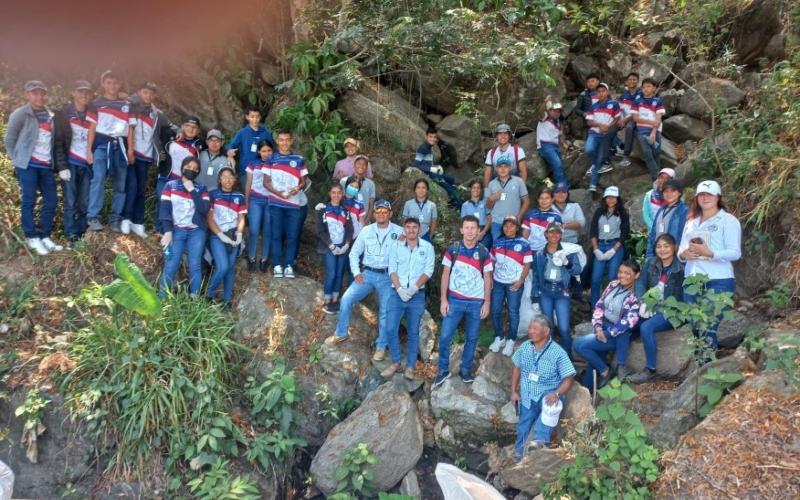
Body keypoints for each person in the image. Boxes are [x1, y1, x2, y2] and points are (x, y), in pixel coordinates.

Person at [324, 200, 403, 361]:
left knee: (385, 312)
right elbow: (354, 254)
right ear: (374, 214)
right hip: (367, 274)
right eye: (378, 211)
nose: (381, 214)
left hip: (388, 277)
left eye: (384, 211)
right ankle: (341, 333)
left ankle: (381, 346)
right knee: (346, 299)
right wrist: (356, 272)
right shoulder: (367, 230)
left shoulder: (399, 231)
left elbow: (407, 254)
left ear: (390, 214)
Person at [678, 180, 741, 352]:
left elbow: (735, 253)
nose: (705, 198)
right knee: (696, 327)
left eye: (709, 194)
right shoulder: (691, 221)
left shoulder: (728, 221)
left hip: (718, 281)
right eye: (701, 195)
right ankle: (702, 369)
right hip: (692, 280)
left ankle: (707, 372)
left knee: (707, 326)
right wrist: (684, 254)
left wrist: (711, 253)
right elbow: (681, 249)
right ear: (697, 198)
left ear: (718, 197)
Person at [5, 80, 63, 255]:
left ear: (45, 95)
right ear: (27, 95)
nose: (38, 96)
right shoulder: (20, 114)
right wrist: (18, 161)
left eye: (41, 93)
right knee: (29, 200)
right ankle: (32, 237)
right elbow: (9, 139)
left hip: (46, 166)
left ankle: (44, 235)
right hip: (28, 165)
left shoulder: (51, 115)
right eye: (34, 93)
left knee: (51, 200)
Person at [434, 215, 494, 387]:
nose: (469, 231)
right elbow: (445, 275)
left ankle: (465, 370)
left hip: (476, 302)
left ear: (478, 230)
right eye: (466, 228)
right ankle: (443, 370)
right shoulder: (453, 249)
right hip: (454, 300)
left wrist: (487, 303)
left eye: (473, 228)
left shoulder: (483, 252)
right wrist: (443, 299)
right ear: (461, 230)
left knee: (472, 338)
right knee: (445, 336)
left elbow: (488, 279)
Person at [510, 316, 576, 462]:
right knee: (523, 427)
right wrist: (513, 391)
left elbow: (569, 377)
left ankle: (536, 458)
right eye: (530, 328)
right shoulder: (525, 347)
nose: (530, 331)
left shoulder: (558, 352)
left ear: (546, 332)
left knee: (542, 429)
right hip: (528, 395)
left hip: (548, 394)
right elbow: (516, 367)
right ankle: (518, 456)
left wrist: (557, 393)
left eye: (535, 329)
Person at [573, 260, 641, 389]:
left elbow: (629, 321)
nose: (622, 275)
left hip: (618, 335)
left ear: (636, 275)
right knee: (595, 360)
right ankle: (590, 389)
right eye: (620, 272)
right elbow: (599, 306)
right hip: (603, 327)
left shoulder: (636, 295)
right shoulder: (613, 285)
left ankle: (605, 371)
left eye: (627, 273)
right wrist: (598, 326)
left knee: (578, 345)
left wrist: (607, 333)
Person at [382, 217, 435, 379]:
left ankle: (411, 366)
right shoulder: (396, 246)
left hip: (416, 295)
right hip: (396, 294)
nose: (411, 230)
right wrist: (399, 288)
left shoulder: (427, 247)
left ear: (419, 229)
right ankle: (396, 361)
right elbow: (392, 269)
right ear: (404, 229)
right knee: (390, 328)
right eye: (408, 227)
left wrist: (413, 289)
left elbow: (428, 270)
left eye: (414, 227)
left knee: (413, 331)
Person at [122, 81, 178, 237]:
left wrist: (179, 132)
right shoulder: (131, 106)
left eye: (151, 93)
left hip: (146, 156)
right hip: (130, 153)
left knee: (140, 189)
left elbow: (171, 125)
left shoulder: (156, 113)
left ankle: (138, 222)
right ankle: (125, 218)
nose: (148, 96)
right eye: (145, 92)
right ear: (140, 92)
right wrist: (129, 150)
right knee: (130, 187)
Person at [629, 233, 684, 383]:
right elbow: (640, 283)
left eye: (666, 246)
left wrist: (657, 307)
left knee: (647, 327)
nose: (662, 249)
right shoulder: (651, 263)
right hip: (650, 305)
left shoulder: (681, 268)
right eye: (659, 246)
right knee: (630, 322)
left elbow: (680, 299)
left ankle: (650, 370)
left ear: (674, 247)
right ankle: (621, 364)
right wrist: (642, 301)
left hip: (671, 311)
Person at [86, 70, 135, 232]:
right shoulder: (96, 103)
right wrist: (89, 150)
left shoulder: (127, 105)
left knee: (120, 184)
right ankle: (93, 216)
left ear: (119, 84)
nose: (112, 86)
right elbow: (92, 127)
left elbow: (130, 130)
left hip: (120, 146)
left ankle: (115, 218)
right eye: (108, 82)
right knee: (97, 180)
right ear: (103, 84)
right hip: (101, 145)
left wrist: (130, 150)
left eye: (115, 83)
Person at [158, 156, 210, 297]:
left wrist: (192, 190)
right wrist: (168, 231)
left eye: (195, 169)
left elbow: (203, 209)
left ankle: (194, 299)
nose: (191, 170)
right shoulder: (170, 186)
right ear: (182, 167)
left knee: (195, 265)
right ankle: (161, 299)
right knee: (171, 265)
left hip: (196, 231)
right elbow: (164, 210)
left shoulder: (202, 188)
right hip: (177, 230)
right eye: (189, 167)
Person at [531, 223, 582, 356]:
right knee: (548, 328)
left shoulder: (568, 252)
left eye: (558, 232)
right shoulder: (540, 254)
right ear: (546, 234)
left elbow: (577, 270)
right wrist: (534, 298)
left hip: (561, 291)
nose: (554, 235)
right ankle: (550, 357)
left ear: (561, 235)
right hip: (545, 291)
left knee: (564, 328)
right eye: (551, 232)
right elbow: (536, 277)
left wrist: (567, 262)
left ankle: (567, 359)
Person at [264, 130, 308, 278]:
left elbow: (304, 181)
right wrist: (279, 194)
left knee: (292, 235)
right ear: (277, 141)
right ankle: (277, 265)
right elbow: (265, 182)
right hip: (276, 204)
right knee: (276, 235)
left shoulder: (299, 159)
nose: (284, 143)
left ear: (291, 141)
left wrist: (298, 188)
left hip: (294, 205)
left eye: (287, 140)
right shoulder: (271, 159)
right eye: (281, 140)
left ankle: (289, 265)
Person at [53, 80, 93, 243]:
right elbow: (58, 141)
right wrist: (62, 166)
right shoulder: (63, 113)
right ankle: (71, 236)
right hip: (70, 163)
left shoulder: (93, 112)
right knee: (70, 202)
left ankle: (82, 235)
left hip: (87, 164)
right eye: (80, 91)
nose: (84, 95)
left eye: (87, 92)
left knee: (84, 202)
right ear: (73, 93)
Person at [489, 216, 533, 357]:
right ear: (503, 228)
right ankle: (499, 337)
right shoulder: (497, 243)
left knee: (513, 311)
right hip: (498, 283)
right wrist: (490, 279)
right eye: (506, 226)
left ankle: (511, 340)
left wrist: (520, 280)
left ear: (517, 227)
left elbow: (527, 265)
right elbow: (491, 262)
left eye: (512, 225)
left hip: (514, 283)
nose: (509, 228)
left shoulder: (524, 243)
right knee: (495, 310)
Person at [206, 166, 246, 306]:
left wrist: (239, 233)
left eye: (231, 177)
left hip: (233, 236)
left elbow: (241, 218)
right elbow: (209, 218)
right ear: (219, 179)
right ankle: (209, 295)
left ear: (235, 179)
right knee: (222, 266)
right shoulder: (213, 195)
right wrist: (221, 235)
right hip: (218, 236)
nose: (228, 180)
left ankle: (227, 300)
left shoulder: (239, 196)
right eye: (224, 177)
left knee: (230, 268)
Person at [156, 116, 203, 233]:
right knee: (163, 203)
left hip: (183, 182)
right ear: (182, 126)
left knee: (176, 208)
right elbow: (160, 124)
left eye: (194, 127)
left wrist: (228, 154)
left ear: (198, 131)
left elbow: (216, 146)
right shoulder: (171, 136)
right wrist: (177, 131)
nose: (191, 129)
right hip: (166, 178)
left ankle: (172, 233)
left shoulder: (199, 145)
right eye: (187, 126)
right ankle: (160, 231)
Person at [315, 184, 355, 315]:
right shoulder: (323, 210)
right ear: (329, 193)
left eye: (339, 192)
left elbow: (350, 229)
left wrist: (347, 244)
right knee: (331, 273)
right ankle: (327, 300)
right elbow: (320, 230)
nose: (336, 195)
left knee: (339, 273)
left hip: (342, 247)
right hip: (329, 248)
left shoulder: (345, 212)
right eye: (333, 192)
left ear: (342, 194)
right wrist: (331, 245)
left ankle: (335, 299)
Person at [590, 186, 630, 306]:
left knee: (613, 276)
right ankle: (595, 306)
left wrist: (613, 250)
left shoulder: (622, 213)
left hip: (615, 246)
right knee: (596, 278)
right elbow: (593, 231)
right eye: (608, 197)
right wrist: (595, 249)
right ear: (605, 198)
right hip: (600, 245)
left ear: (617, 199)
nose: (610, 200)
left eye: (613, 197)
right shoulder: (599, 212)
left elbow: (624, 233)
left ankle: (611, 305)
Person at [585, 83, 621, 192]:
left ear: (608, 92)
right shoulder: (593, 106)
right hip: (594, 133)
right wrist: (600, 125)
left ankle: (593, 185)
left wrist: (608, 127)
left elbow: (617, 118)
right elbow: (589, 121)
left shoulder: (614, 104)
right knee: (588, 149)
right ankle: (598, 165)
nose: (601, 93)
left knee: (599, 159)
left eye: (603, 91)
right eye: (599, 91)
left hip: (605, 136)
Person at [245, 140, 273, 272]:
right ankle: (251, 257)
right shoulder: (253, 164)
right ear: (258, 152)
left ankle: (264, 258)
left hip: (271, 200)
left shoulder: (276, 164)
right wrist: (246, 202)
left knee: (268, 230)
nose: (266, 154)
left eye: (269, 150)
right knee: (254, 230)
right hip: (255, 200)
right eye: (263, 151)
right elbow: (248, 184)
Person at [485, 157, 530, 241]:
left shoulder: (519, 181)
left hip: (513, 222)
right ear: (496, 168)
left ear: (510, 168)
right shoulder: (491, 184)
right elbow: (487, 206)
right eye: (500, 166)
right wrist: (491, 199)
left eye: (505, 166)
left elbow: (526, 201)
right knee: (498, 248)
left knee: (513, 250)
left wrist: (519, 217)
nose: (503, 169)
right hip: (497, 222)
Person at [413, 127, 460, 205]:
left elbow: (427, 163)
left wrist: (436, 167)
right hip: (428, 174)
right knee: (448, 187)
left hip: (432, 172)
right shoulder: (423, 148)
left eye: (434, 137)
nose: (432, 139)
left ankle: (453, 198)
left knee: (451, 179)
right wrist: (431, 169)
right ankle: (460, 206)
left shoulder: (430, 147)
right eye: (430, 137)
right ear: (426, 137)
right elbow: (416, 164)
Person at [645, 178, 688, 259]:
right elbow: (653, 233)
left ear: (679, 193)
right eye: (666, 191)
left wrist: (678, 255)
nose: (669, 194)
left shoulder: (684, 211)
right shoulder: (661, 210)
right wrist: (649, 255)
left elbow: (684, 236)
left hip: (674, 257)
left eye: (673, 191)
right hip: (658, 254)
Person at [632, 78, 665, 180]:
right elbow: (635, 118)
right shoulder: (637, 101)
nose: (645, 89)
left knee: (656, 153)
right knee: (647, 152)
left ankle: (656, 179)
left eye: (648, 86)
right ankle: (658, 178)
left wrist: (654, 132)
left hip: (656, 130)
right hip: (642, 131)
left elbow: (658, 118)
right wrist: (651, 122)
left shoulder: (658, 101)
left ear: (654, 88)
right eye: (644, 87)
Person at [226, 107, 273, 176]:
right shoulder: (242, 132)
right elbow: (231, 146)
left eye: (257, 117)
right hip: (246, 171)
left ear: (260, 117)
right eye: (252, 117)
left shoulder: (265, 133)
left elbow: (272, 149)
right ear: (247, 117)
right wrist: (228, 151)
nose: (255, 119)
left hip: (263, 170)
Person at [522, 187, 563, 254]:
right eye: (541, 198)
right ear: (538, 199)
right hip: (530, 249)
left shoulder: (556, 217)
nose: (544, 201)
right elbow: (526, 233)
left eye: (547, 198)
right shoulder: (530, 214)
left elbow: (558, 236)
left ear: (552, 199)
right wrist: (525, 247)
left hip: (546, 250)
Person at [536, 101, 567, 184]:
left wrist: (564, 144)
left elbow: (560, 136)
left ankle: (558, 186)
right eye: (554, 110)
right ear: (549, 111)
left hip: (555, 146)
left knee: (560, 166)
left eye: (559, 111)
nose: (557, 113)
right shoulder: (545, 117)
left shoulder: (558, 123)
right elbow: (540, 111)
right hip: (545, 145)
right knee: (557, 164)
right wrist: (545, 102)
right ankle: (562, 187)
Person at [339, 155, 375, 221]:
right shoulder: (344, 181)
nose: (361, 166)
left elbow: (371, 204)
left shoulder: (370, 184)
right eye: (359, 163)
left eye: (364, 164)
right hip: (344, 220)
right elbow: (339, 199)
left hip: (362, 221)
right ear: (354, 165)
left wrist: (366, 222)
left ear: (367, 167)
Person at [617, 72, 643, 167]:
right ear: (627, 81)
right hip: (623, 118)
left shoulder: (641, 94)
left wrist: (624, 120)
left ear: (637, 81)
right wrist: (619, 119)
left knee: (629, 127)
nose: (632, 81)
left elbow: (637, 111)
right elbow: (618, 109)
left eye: (634, 79)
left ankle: (625, 156)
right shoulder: (624, 95)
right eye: (630, 79)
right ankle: (618, 146)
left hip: (635, 118)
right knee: (609, 128)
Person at [460, 179, 492, 248]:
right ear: (470, 189)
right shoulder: (465, 205)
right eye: (474, 188)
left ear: (481, 190)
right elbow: (464, 222)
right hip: (470, 231)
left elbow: (490, 218)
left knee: (483, 249)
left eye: (478, 188)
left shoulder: (485, 202)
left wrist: (482, 233)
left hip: (484, 231)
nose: (476, 190)